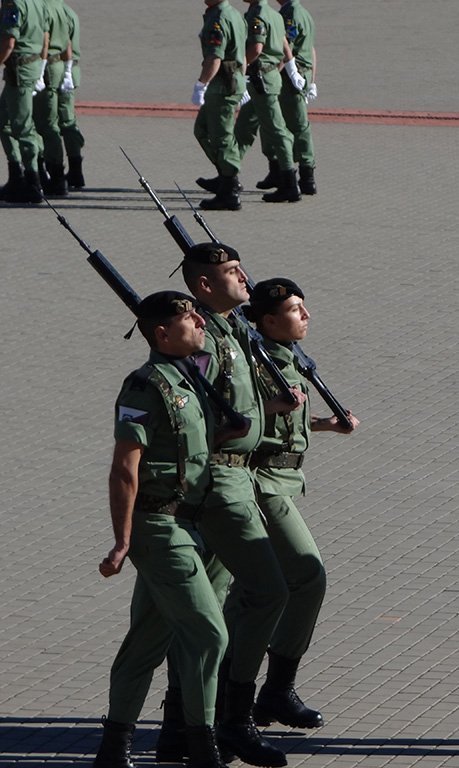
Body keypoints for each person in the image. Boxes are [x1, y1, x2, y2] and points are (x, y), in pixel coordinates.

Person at [155, 243, 299, 768]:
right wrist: (228, 426)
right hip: (219, 480)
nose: (243, 278)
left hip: (239, 477)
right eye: (231, 273)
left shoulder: (235, 328)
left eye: (239, 268)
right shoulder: (205, 338)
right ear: (204, 286)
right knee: (269, 592)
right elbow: (187, 412)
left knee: (207, 611)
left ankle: (181, 725)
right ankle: (235, 717)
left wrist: (270, 407)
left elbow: (239, 398)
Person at [92, 291, 244, 768]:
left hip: (191, 523)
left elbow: (188, 444)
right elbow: (124, 468)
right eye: (189, 318)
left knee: (148, 640)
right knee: (209, 634)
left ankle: (113, 750)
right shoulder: (144, 386)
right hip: (159, 526)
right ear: (162, 333)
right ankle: (200, 747)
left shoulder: (191, 376)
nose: (200, 322)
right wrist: (121, 540)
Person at [242, 278, 357, 728]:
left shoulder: (285, 357)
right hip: (260, 482)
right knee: (306, 576)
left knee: (254, 590)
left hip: (283, 479)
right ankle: (268, 691)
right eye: (294, 309)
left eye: (304, 306)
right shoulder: (253, 359)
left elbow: (288, 413)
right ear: (269, 321)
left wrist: (325, 425)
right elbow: (243, 413)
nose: (305, 315)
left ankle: (245, 697)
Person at [231, 0, 305, 203]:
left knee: (276, 129)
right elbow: (284, 45)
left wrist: (239, 70)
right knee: (244, 127)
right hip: (266, 77)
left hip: (260, 78)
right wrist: (291, 70)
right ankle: (227, 175)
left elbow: (255, 48)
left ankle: (290, 183)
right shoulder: (275, 14)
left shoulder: (258, 14)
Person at [253, 0, 316, 196]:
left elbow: (285, 50)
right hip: (301, 74)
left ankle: (306, 177)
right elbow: (312, 50)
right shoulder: (302, 12)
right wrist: (312, 81)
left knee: (294, 125)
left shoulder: (290, 15)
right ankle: (280, 171)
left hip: (289, 79)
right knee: (279, 124)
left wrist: (275, 75)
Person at [192, 0, 247, 211]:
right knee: (203, 129)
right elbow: (242, 50)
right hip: (228, 82)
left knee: (223, 137)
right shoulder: (232, 14)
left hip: (223, 84)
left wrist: (201, 84)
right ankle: (225, 175)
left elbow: (215, 56)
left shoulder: (219, 18)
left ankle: (229, 189)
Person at [0, 0, 48, 203]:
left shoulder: (13, 3)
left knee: (22, 126)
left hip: (19, 72)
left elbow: (10, 41)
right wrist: (42, 67)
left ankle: (33, 182)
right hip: (31, 67)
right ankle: (18, 176)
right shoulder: (38, 2)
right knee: (4, 121)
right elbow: (46, 36)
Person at [31, 0, 70, 196]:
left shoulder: (43, 6)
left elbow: (44, 39)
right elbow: (69, 38)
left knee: (43, 124)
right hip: (59, 64)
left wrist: (39, 69)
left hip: (46, 66)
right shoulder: (60, 5)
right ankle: (56, 175)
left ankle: (51, 175)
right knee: (51, 121)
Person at [56, 0, 83, 187]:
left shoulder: (57, 13)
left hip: (59, 70)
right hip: (69, 72)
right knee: (68, 121)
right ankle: (75, 171)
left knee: (54, 122)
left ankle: (66, 172)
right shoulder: (68, 12)